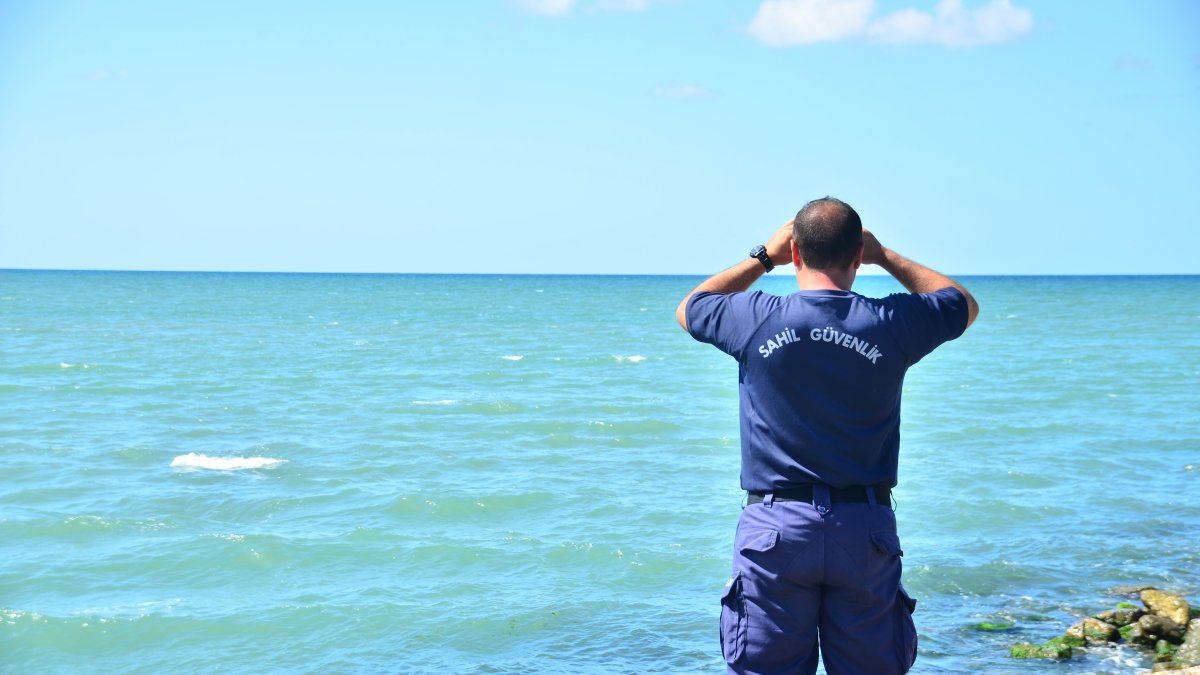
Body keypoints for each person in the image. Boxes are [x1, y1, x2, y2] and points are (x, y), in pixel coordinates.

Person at [676, 197, 979, 675]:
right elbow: (961, 303)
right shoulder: (890, 323)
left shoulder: (756, 318)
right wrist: (886, 256)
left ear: (795, 252)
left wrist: (762, 257)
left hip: (776, 526)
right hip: (863, 529)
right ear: (857, 254)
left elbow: (692, 307)